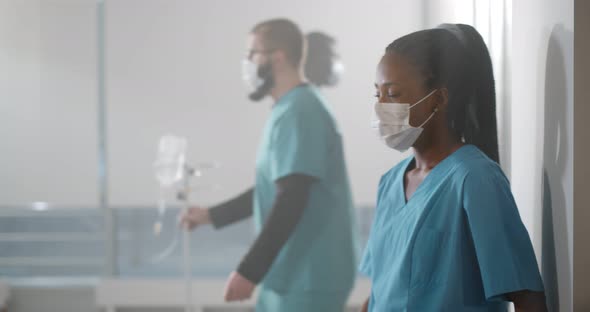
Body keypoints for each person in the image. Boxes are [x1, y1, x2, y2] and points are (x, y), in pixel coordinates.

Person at [360, 24, 547, 311]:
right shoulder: (390, 183)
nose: (380, 107)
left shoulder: (474, 178)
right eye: (378, 95)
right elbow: (381, 293)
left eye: (393, 94)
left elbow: (527, 298)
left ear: (439, 99)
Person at [180, 18, 358, 312]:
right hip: (290, 273)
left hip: (310, 275)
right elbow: (273, 188)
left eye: (252, 53)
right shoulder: (287, 108)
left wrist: (249, 270)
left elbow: (292, 197)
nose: (247, 63)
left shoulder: (300, 111)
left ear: (278, 57)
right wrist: (211, 215)